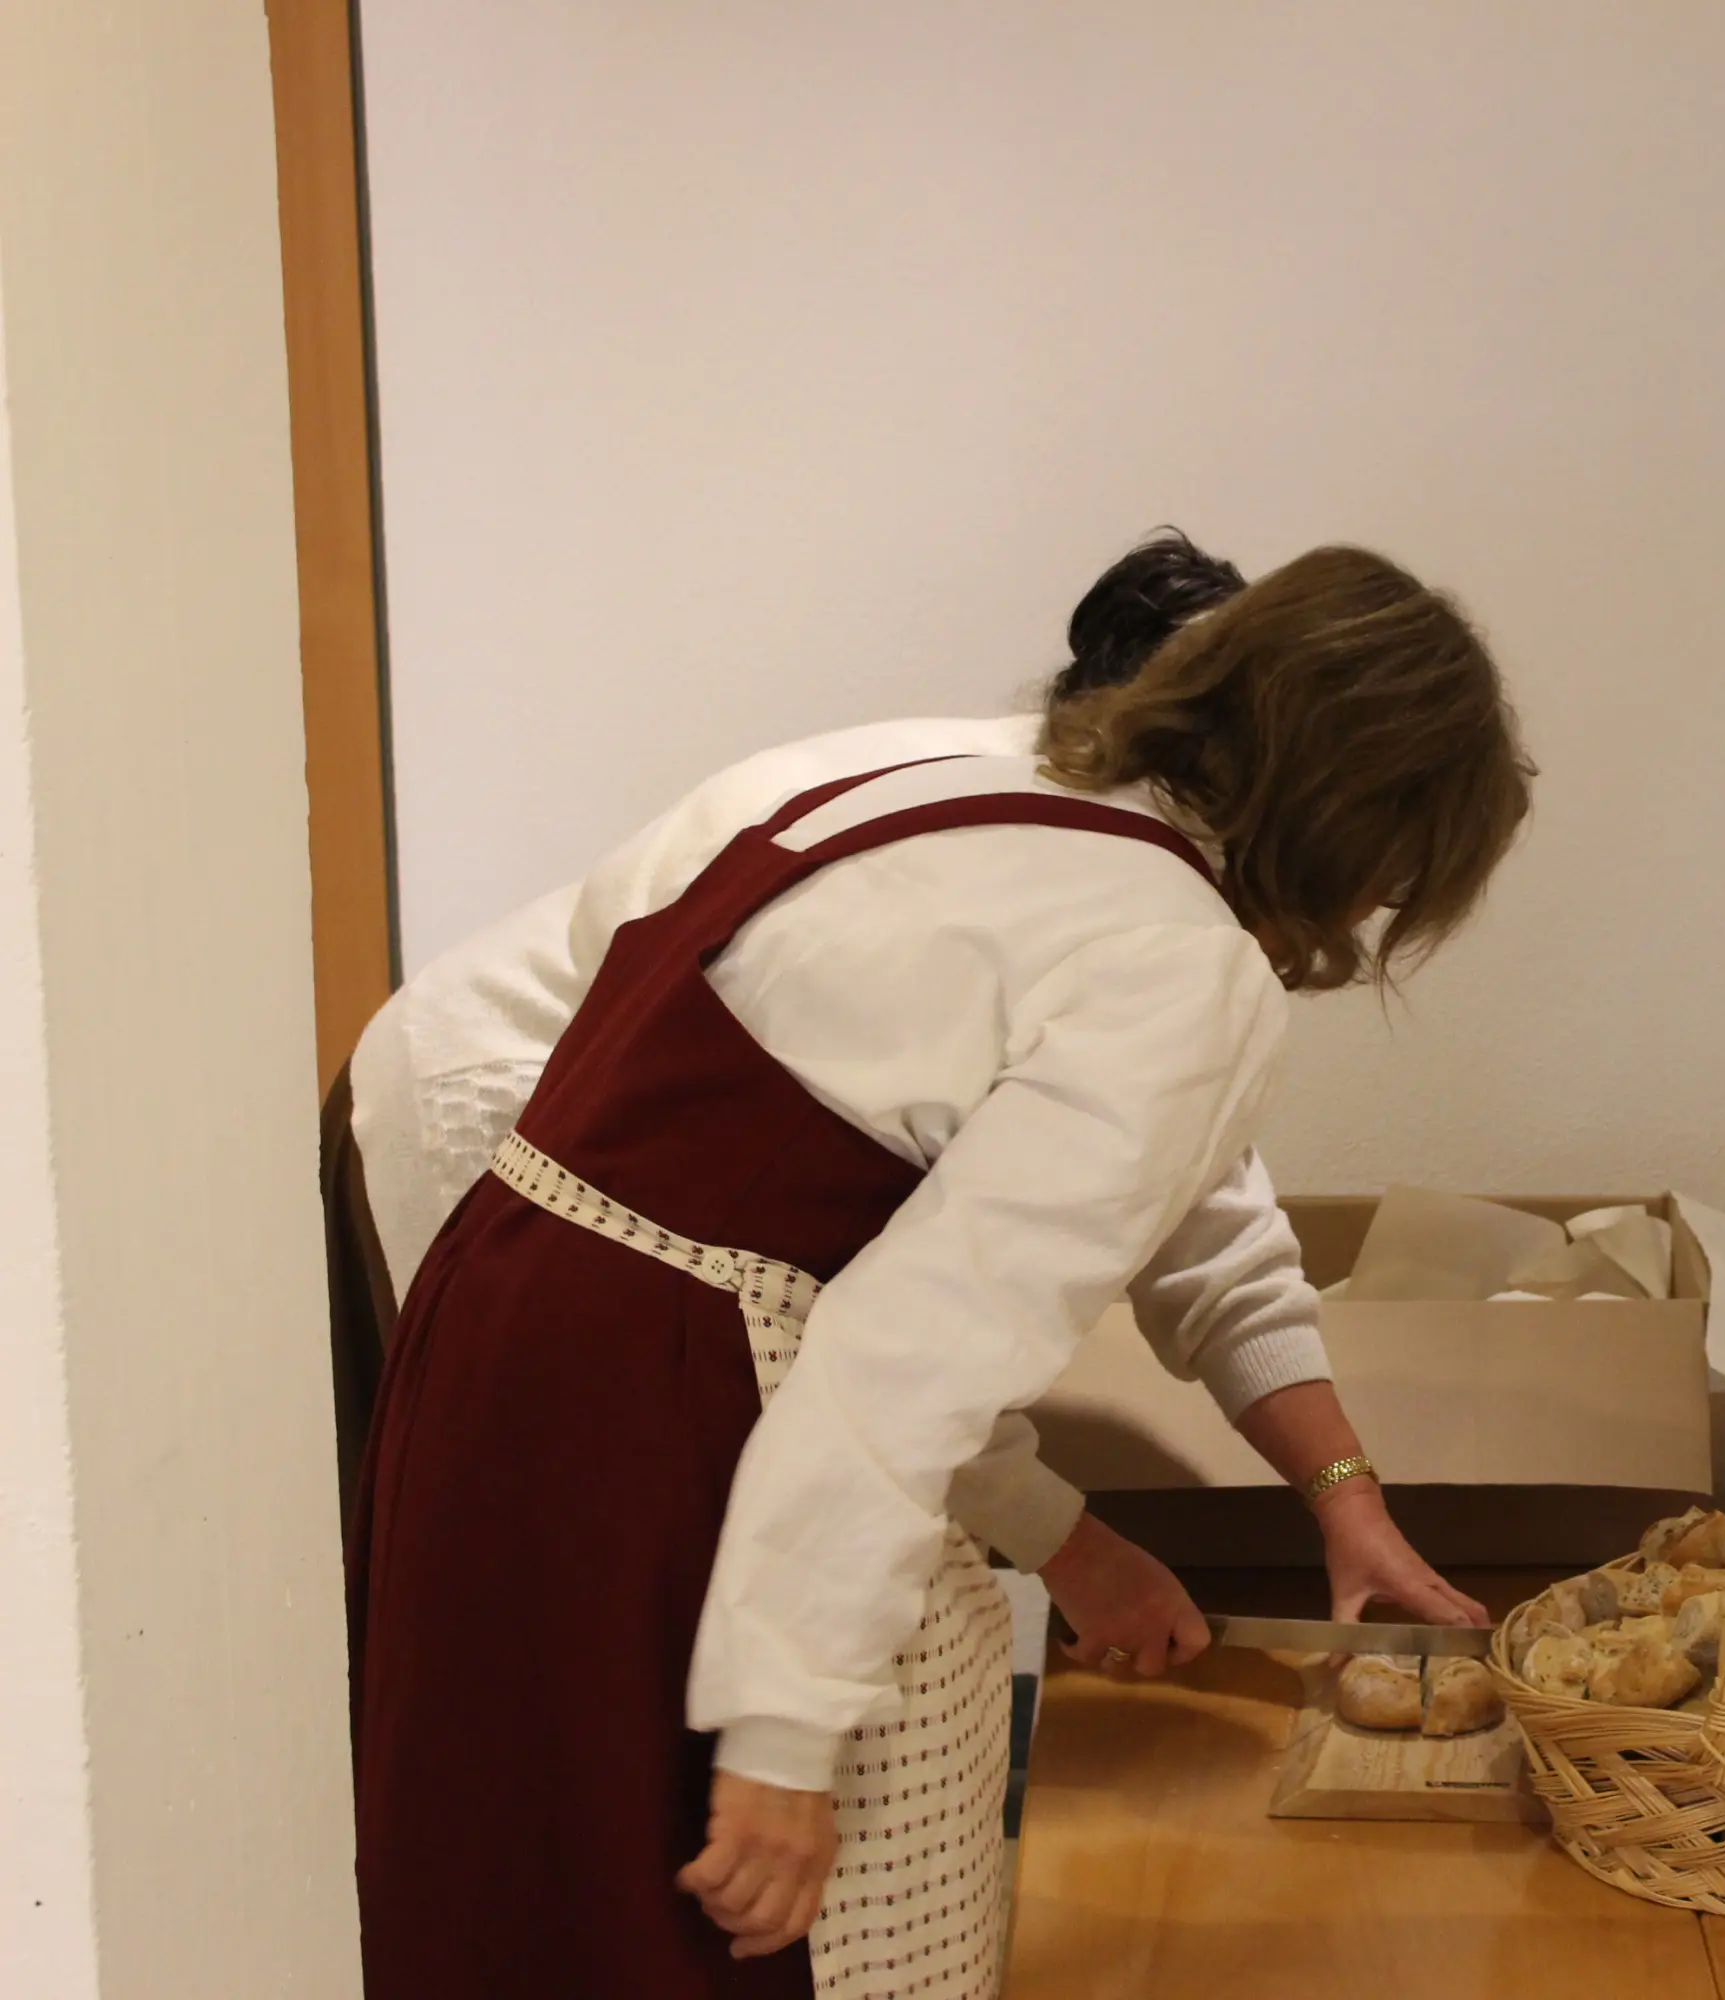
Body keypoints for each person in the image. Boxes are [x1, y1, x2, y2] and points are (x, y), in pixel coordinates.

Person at [343, 532, 1533, 1999]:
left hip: (498, 1303)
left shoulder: (949, 783)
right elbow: (902, 1361)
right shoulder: (1178, 960)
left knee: (521, 1870)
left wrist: (1335, 1498)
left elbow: (1189, 1228)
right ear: (1366, 843)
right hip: (671, 1396)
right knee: (767, 1902)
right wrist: (784, 1742)